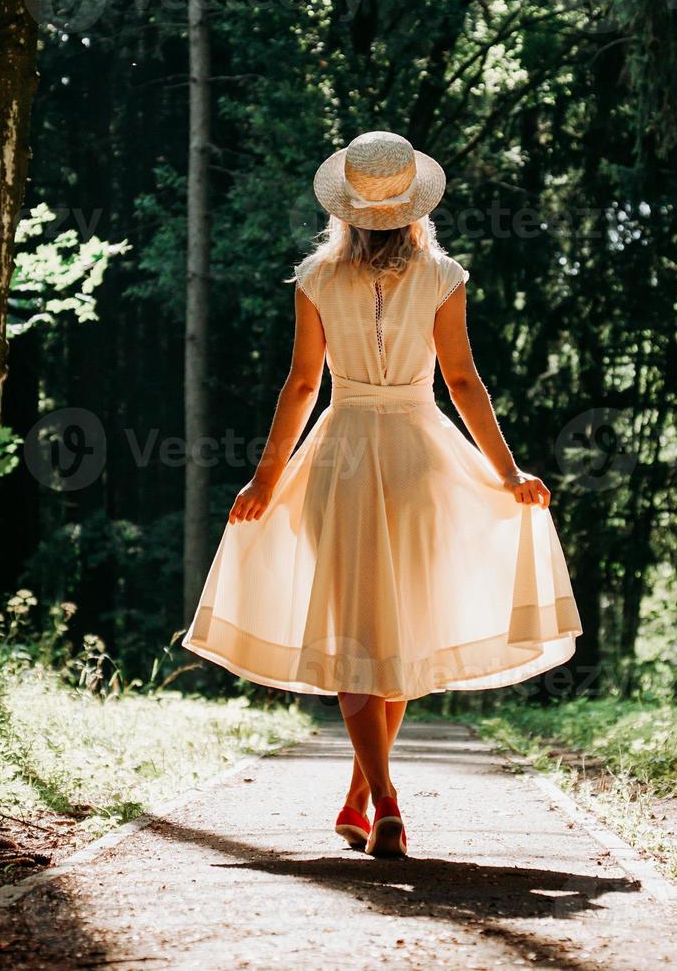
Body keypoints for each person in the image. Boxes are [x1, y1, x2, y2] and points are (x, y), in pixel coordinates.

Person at [182, 131, 582, 858]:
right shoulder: (443, 274)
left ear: (346, 209)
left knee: (357, 630)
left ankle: (375, 792)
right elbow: (462, 381)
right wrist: (507, 472)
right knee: (394, 629)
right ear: (412, 207)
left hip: (340, 456)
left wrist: (265, 479)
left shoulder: (315, 277)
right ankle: (375, 792)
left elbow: (303, 385)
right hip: (419, 457)